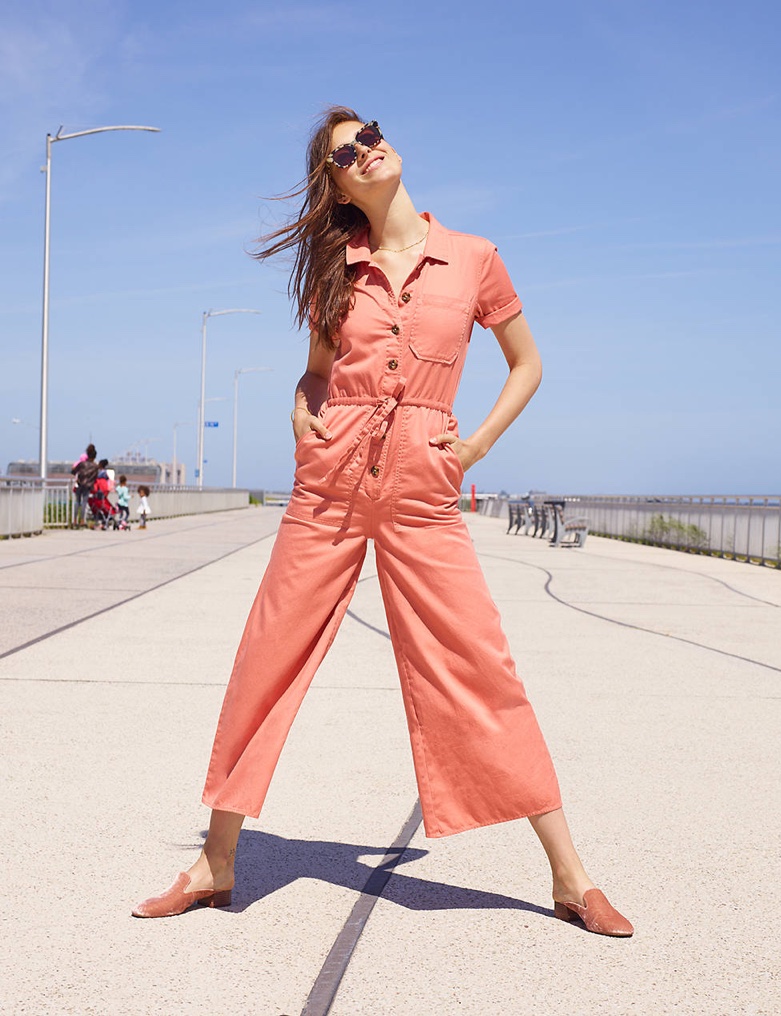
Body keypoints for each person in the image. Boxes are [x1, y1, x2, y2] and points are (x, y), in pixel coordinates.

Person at [132, 107, 633, 937]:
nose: (367, 149)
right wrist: (300, 413)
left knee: (482, 666)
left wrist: (469, 449)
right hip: (329, 486)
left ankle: (571, 877)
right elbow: (315, 375)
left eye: (370, 134)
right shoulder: (339, 270)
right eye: (346, 152)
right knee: (267, 657)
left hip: (424, 489)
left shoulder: (474, 259)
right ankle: (216, 864)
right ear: (336, 182)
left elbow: (527, 363)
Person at [70, 444, 98, 528]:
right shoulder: (95, 467)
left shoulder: (82, 464)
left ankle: (74, 520)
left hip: (79, 484)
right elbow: (95, 477)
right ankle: (82, 520)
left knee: (77, 502)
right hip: (87, 486)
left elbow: (73, 471)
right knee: (84, 503)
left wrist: (78, 477)